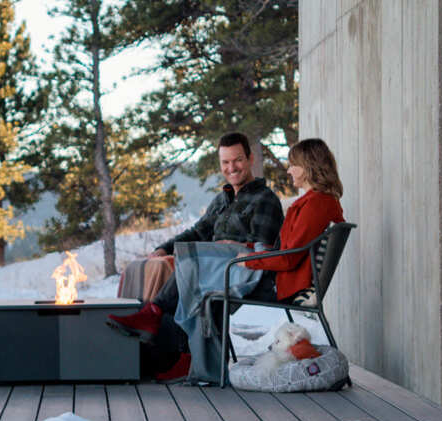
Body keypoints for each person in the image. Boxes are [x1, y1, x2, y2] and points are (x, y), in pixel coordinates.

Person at [117, 132, 282, 312]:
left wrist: (222, 247)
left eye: (238, 160)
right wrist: (164, 248)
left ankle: (152, 313)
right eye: (225, 162)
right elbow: (197, 232)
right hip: (211, 265)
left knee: (187, 266)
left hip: (241, 273)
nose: (232, 167)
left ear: (251, 159)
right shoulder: (222, 200)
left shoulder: (265, 199)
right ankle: (137, 319)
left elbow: (259, 252)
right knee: (147, 265)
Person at [229, 137, 345, 305]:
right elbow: (290, 249)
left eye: (292, 165)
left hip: (286, 288)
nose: (289, 170)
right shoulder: (321, 202)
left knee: (214, 298)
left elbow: (288, 258)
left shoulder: (316, 205)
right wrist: (250, 250)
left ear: (306, 167)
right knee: (215, 289)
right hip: (286, 282)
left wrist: (249, 260)